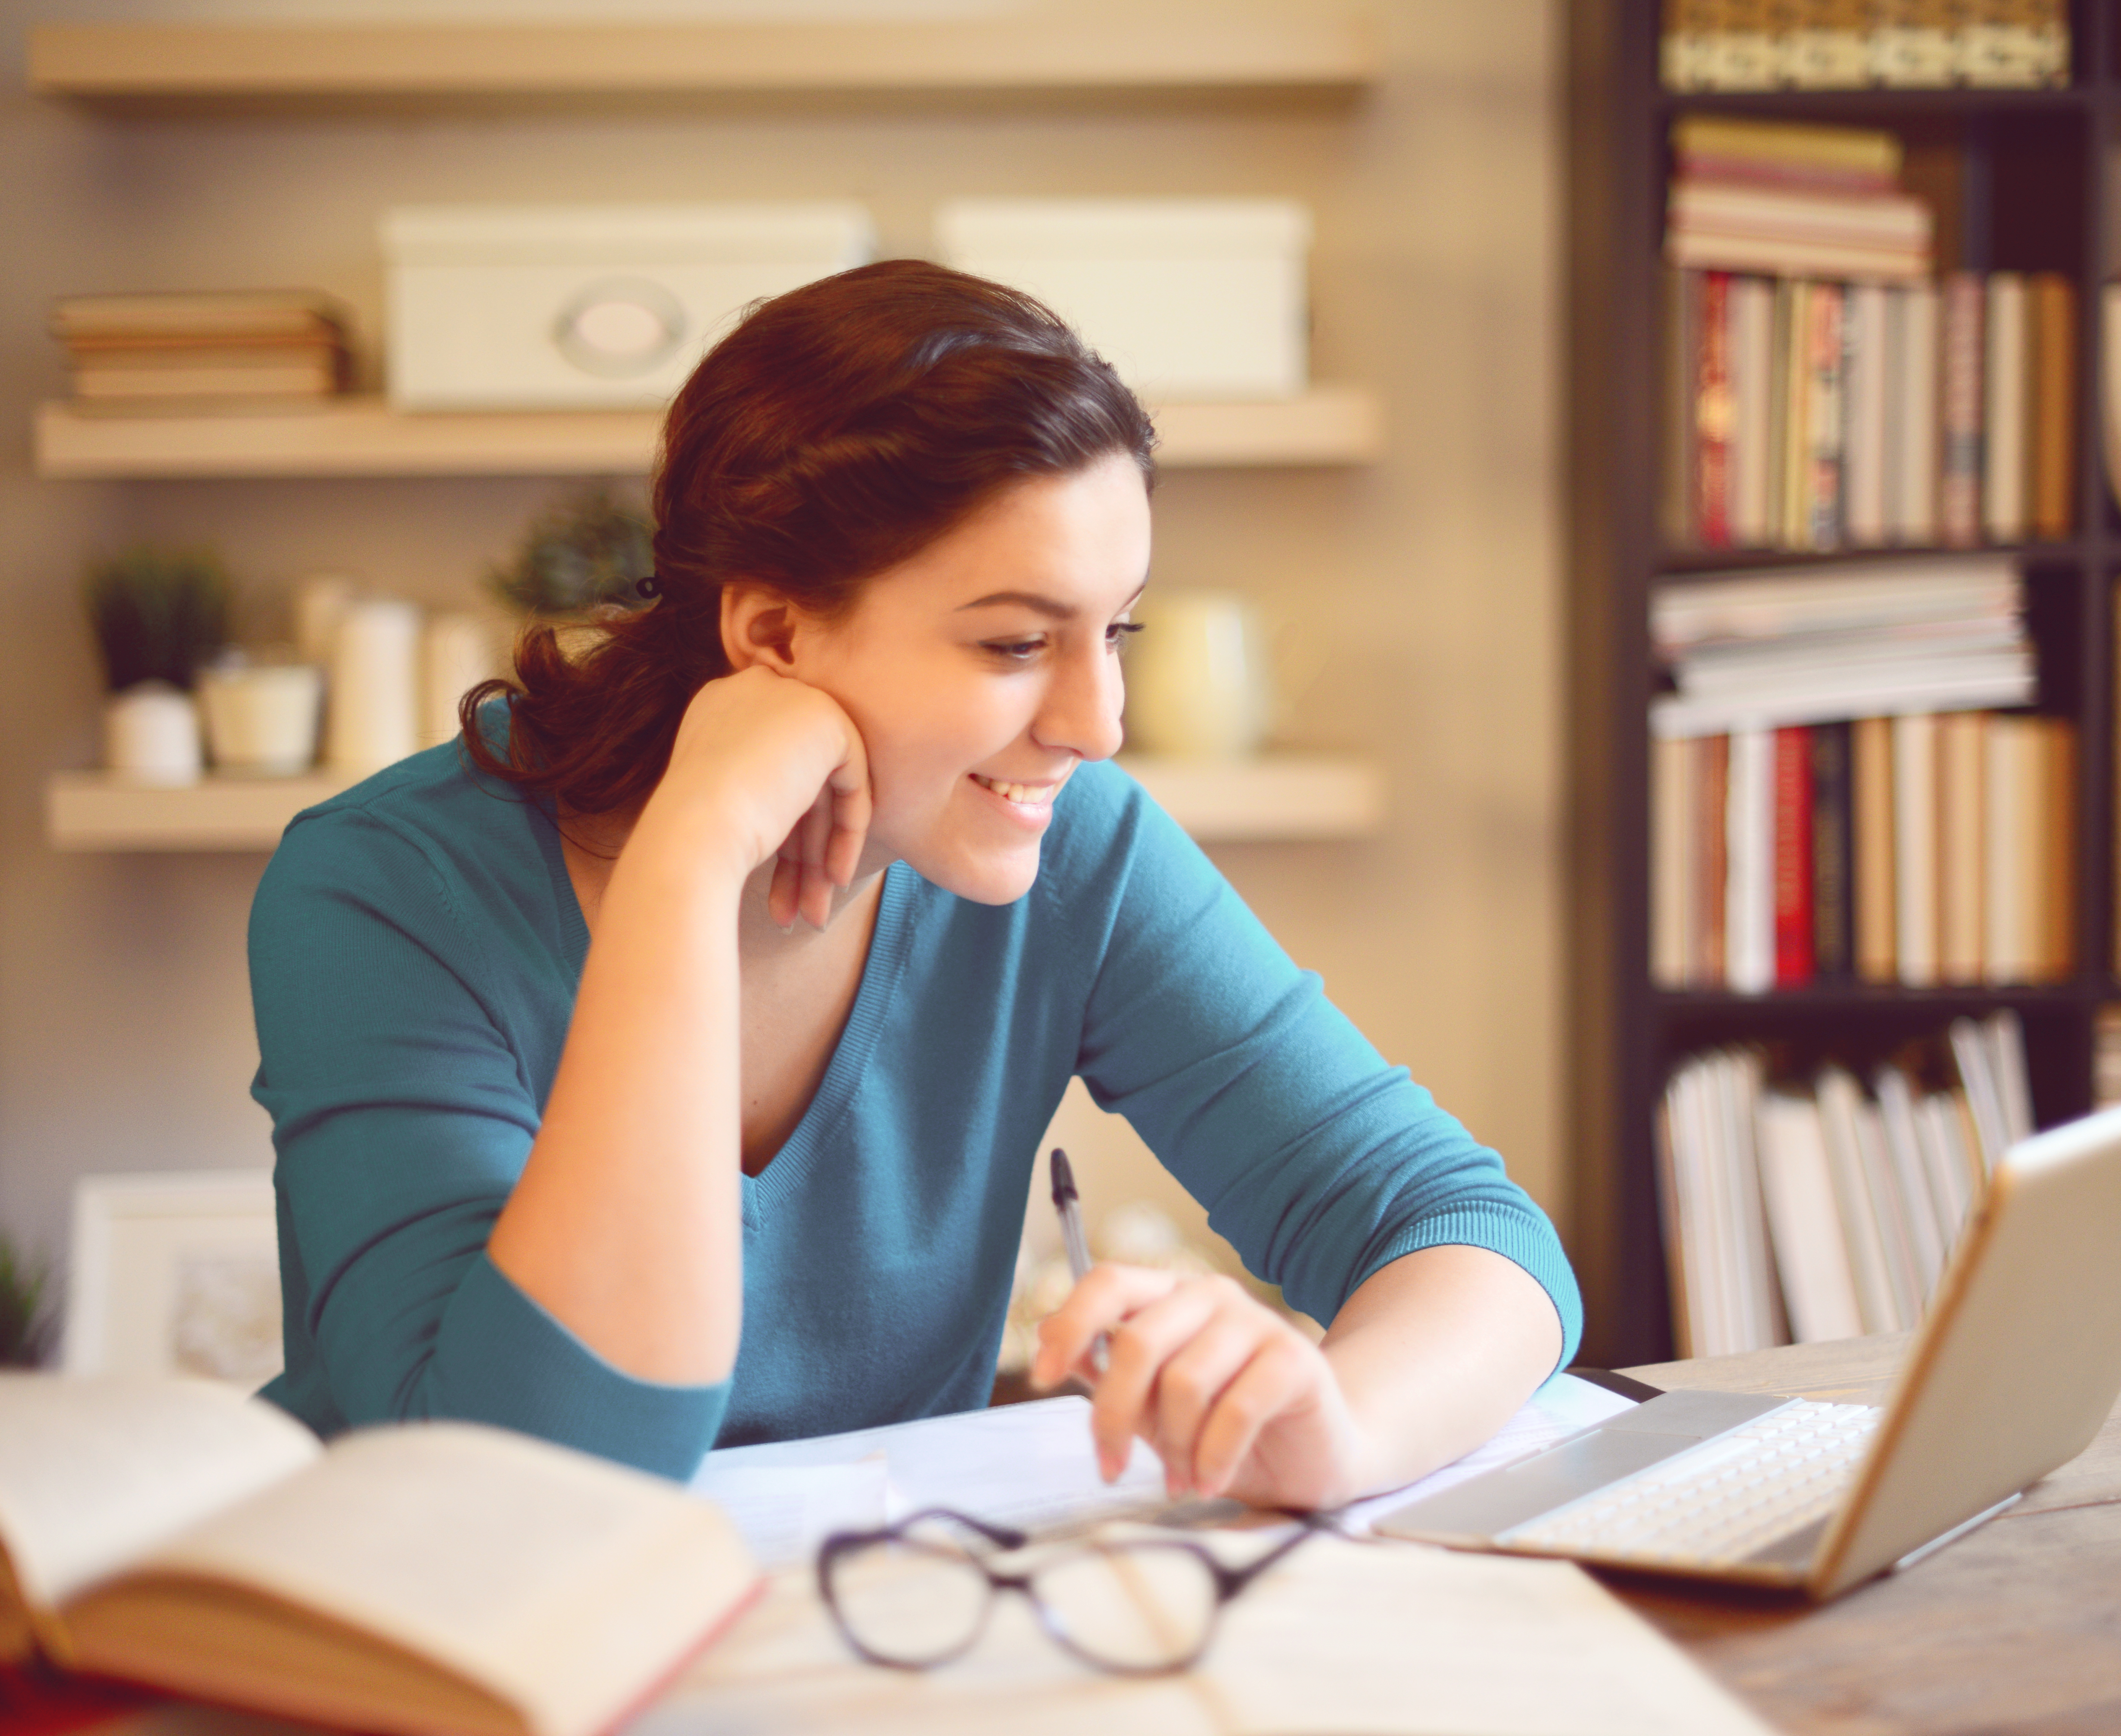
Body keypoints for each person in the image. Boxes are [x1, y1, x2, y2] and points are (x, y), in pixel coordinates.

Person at [248, 261, 1579, 1508]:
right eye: (1014, 640)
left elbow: (1467, 1232)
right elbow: (526, 1476)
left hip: (878, 1639)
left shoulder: (1077, 846)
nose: (1097, 722)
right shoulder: (384, 890)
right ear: (772, 635)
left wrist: (1338, 1429)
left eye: (1114, 630)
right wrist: (692, 858)